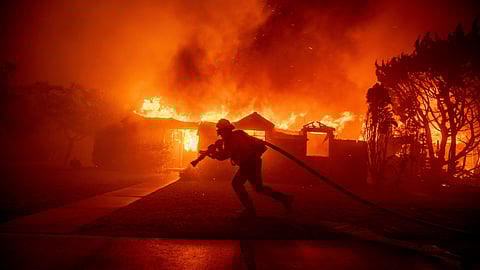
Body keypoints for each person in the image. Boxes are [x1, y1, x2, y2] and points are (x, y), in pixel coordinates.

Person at [201, 119, 294, 217]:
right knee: (258, 188)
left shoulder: (233, 139)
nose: (220, 135)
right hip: (252, 162)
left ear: (226, 130)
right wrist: (217, 149)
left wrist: (214, 152)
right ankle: (285, 199)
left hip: (249, 163)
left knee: (237, 183)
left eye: (221, 132)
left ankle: (250, 210)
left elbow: (223, 156)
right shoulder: (232, 138)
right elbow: (225, 154)